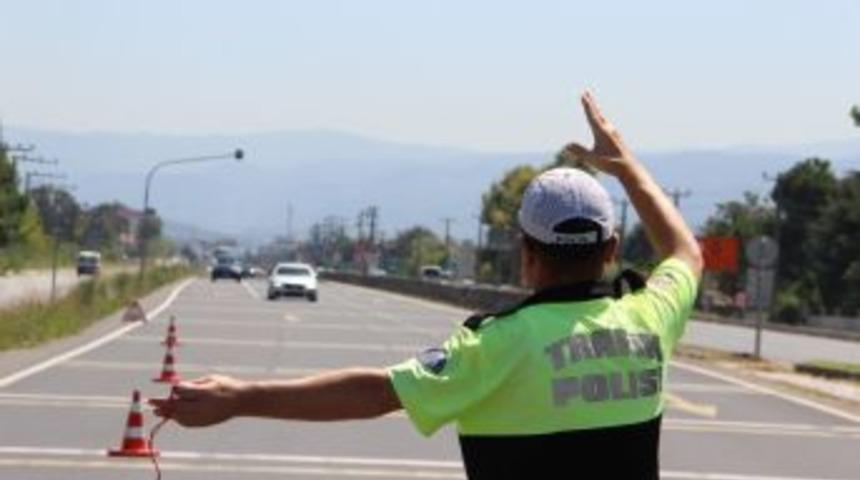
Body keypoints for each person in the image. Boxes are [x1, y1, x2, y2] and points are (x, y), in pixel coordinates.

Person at [151, 91, 703, 479]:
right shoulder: (649, 319)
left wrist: (242, 397)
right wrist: (627, 167)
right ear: (611, 250)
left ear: (525, 255)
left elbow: (376, 392)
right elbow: (686, 252)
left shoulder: (498, 345)